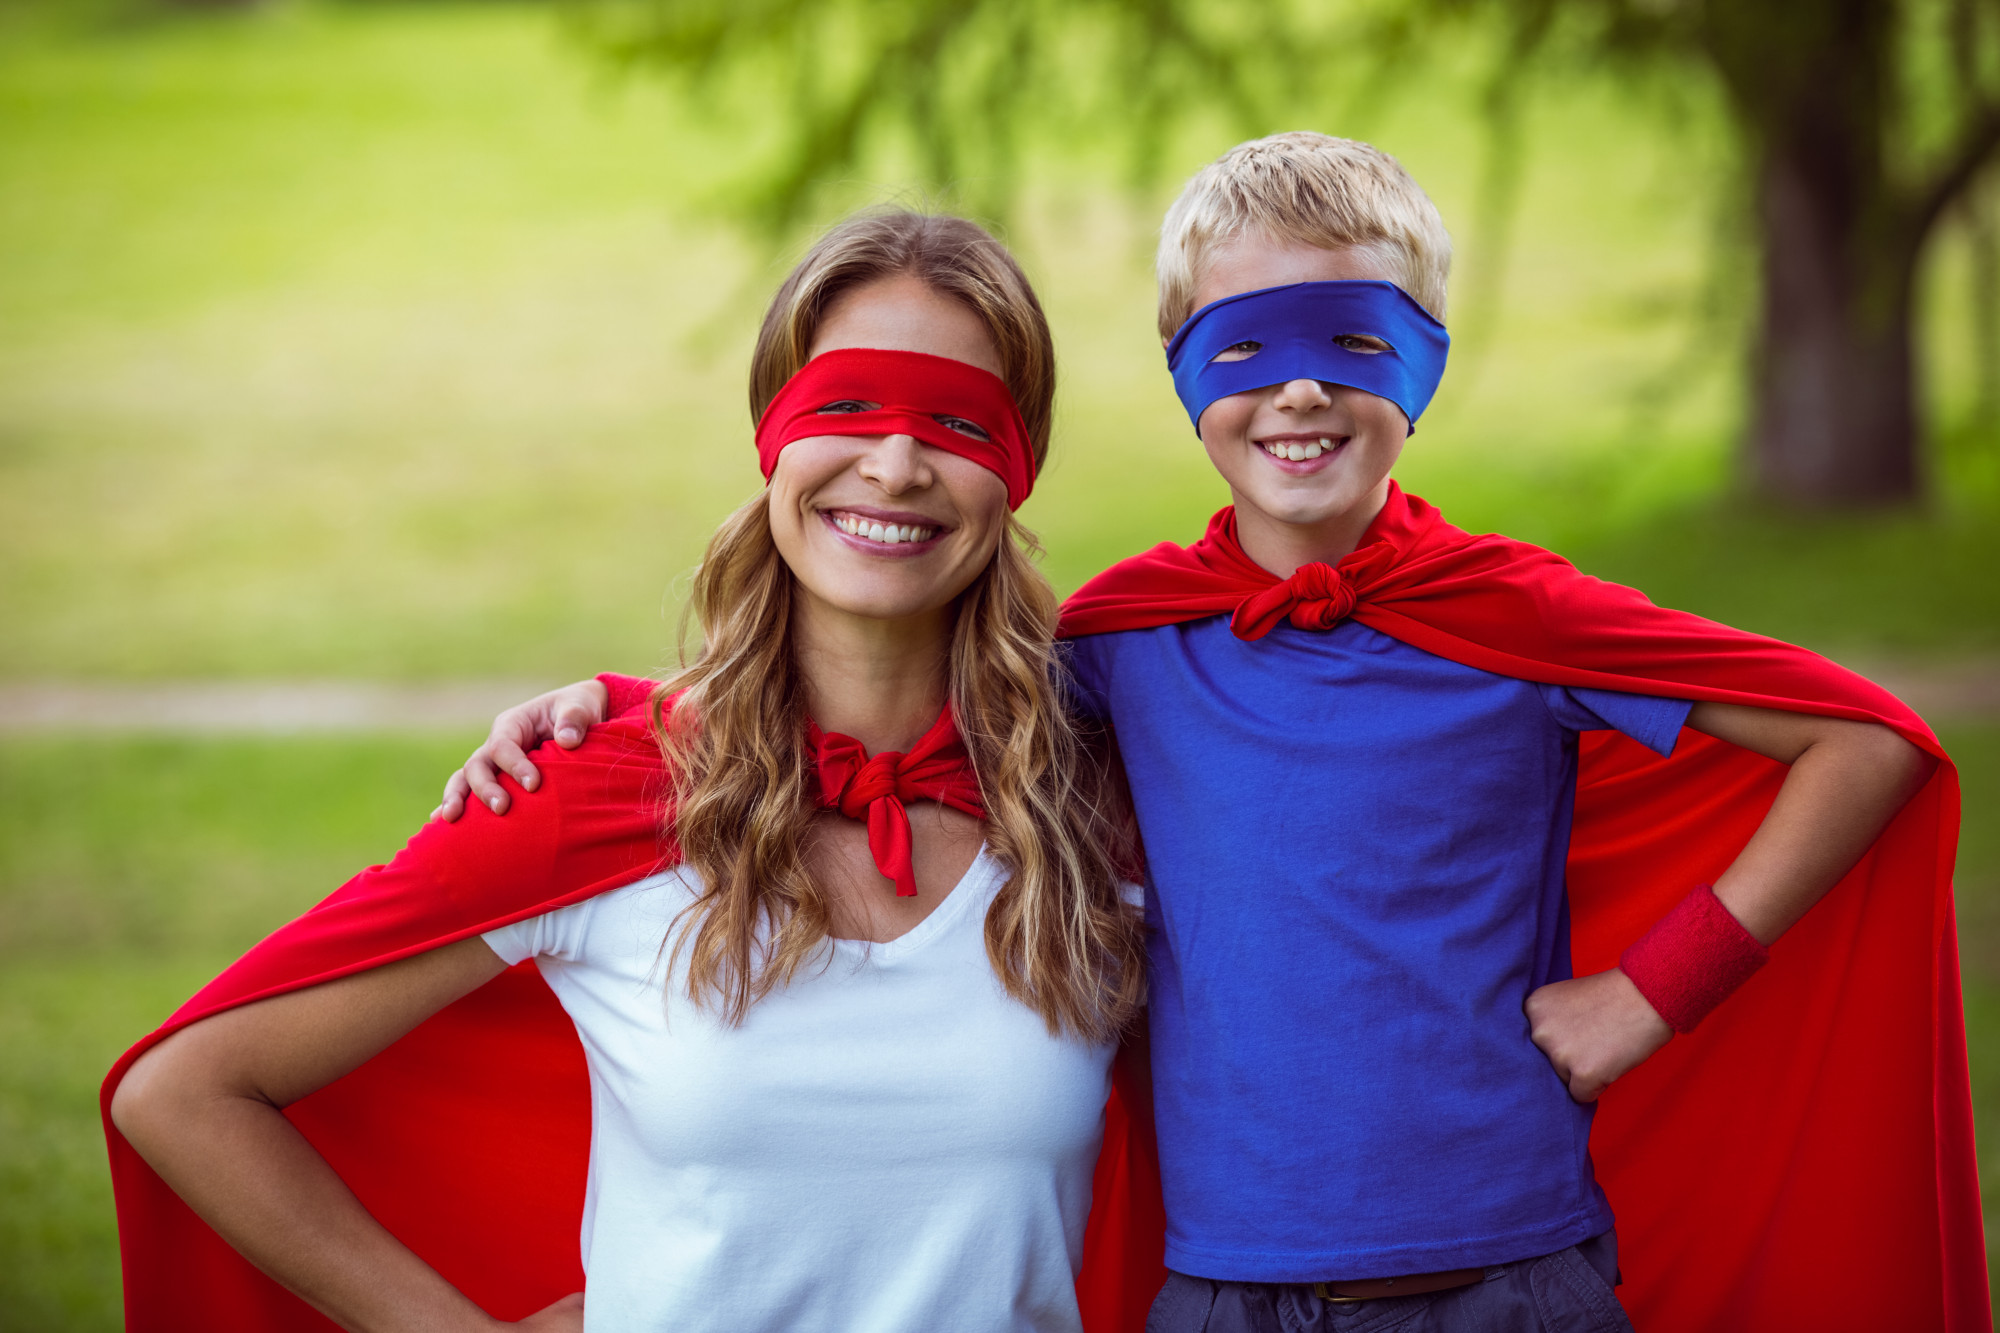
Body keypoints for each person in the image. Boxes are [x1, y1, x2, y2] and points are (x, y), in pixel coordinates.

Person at [456, 135, 1983, 1331]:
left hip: (1514, 1278)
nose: (1303, 389)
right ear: (1190, 379)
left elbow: (1865, 742)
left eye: (1356, 343)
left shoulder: (1514, 614)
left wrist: (1652, 995)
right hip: (1224, 1294)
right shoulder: (1126, 637)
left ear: (1426, 363)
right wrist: (643, 715)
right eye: (1250, 351)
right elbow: (906, 712)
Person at [102, 211, 1167, 1333]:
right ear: (772, 434)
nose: (895, 465)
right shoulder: (600, 785)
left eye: (955, 421)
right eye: (847, 405)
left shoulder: (1100, 797)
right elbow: (183, 1092)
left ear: (1018, 466)